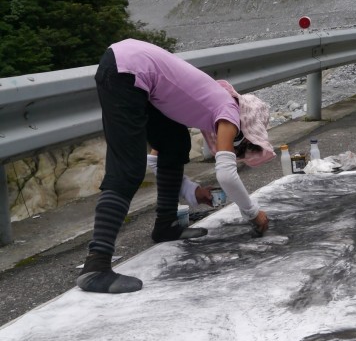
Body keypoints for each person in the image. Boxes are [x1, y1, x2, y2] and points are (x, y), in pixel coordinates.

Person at [76, 38, 275, 294]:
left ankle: (166, 226)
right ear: (246, 126)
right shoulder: (229, 110)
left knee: (175, 142)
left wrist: (191, 191)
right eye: (242, 142)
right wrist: (253, 213)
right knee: (127, 168)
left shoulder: (209, 99)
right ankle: (96, 266)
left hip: (130, 67)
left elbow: (155, 159)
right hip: (128, 71)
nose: (238, 146)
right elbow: (226, 175)